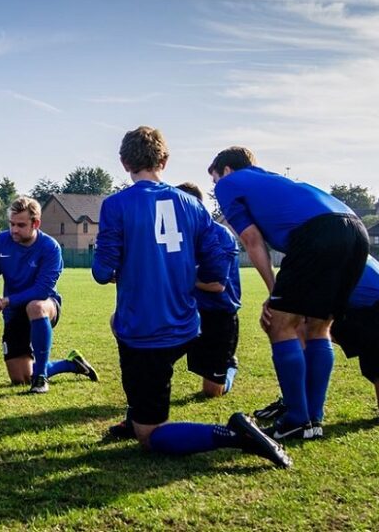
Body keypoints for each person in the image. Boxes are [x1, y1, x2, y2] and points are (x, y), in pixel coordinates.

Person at [93, 126, 290, 468]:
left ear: (124, 162)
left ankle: (233, 434)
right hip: (187, 324)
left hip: (145, 331)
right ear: (164, 161)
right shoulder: (193, 206)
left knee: (150, 435)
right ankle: (138, 409)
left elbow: (101, 270)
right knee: (123, 332)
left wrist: (126, 268)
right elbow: (217, 261)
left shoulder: (116, 205)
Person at [209, 147, 369, 440]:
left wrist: (274, 291)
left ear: (226, 171)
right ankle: (312, 419)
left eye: (215, 179)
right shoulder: (270, 181)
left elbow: (252, 240)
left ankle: (296, 418)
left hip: (318, 232)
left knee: (279, 323)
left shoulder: (230, 183)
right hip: (356, 230)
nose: (216, 187)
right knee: (318, 327)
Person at [256, 256, 379, 422]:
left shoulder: (323, 244)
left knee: (294, 323)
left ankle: (294, 403)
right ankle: (299, 401)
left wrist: (275, 301)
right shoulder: (347, 239)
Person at [0, 196, 98, 394]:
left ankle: (41, 377)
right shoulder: (2, 240)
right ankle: (71, 364)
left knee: (35, 305)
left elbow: (41, 290)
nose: (14, 230)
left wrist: (8, 300)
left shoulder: (50, 247)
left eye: (20, 225)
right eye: (11, 224)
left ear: (36, 223)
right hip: (14, 312)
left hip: (46, 307)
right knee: (20, 378)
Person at [176, 182, 241, 398]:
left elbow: (216, 285)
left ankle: (229, 368)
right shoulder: (177, 235)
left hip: (218, 314)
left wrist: (178, 277)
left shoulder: (219, 236)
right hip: (188, 311)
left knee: (212, 393)